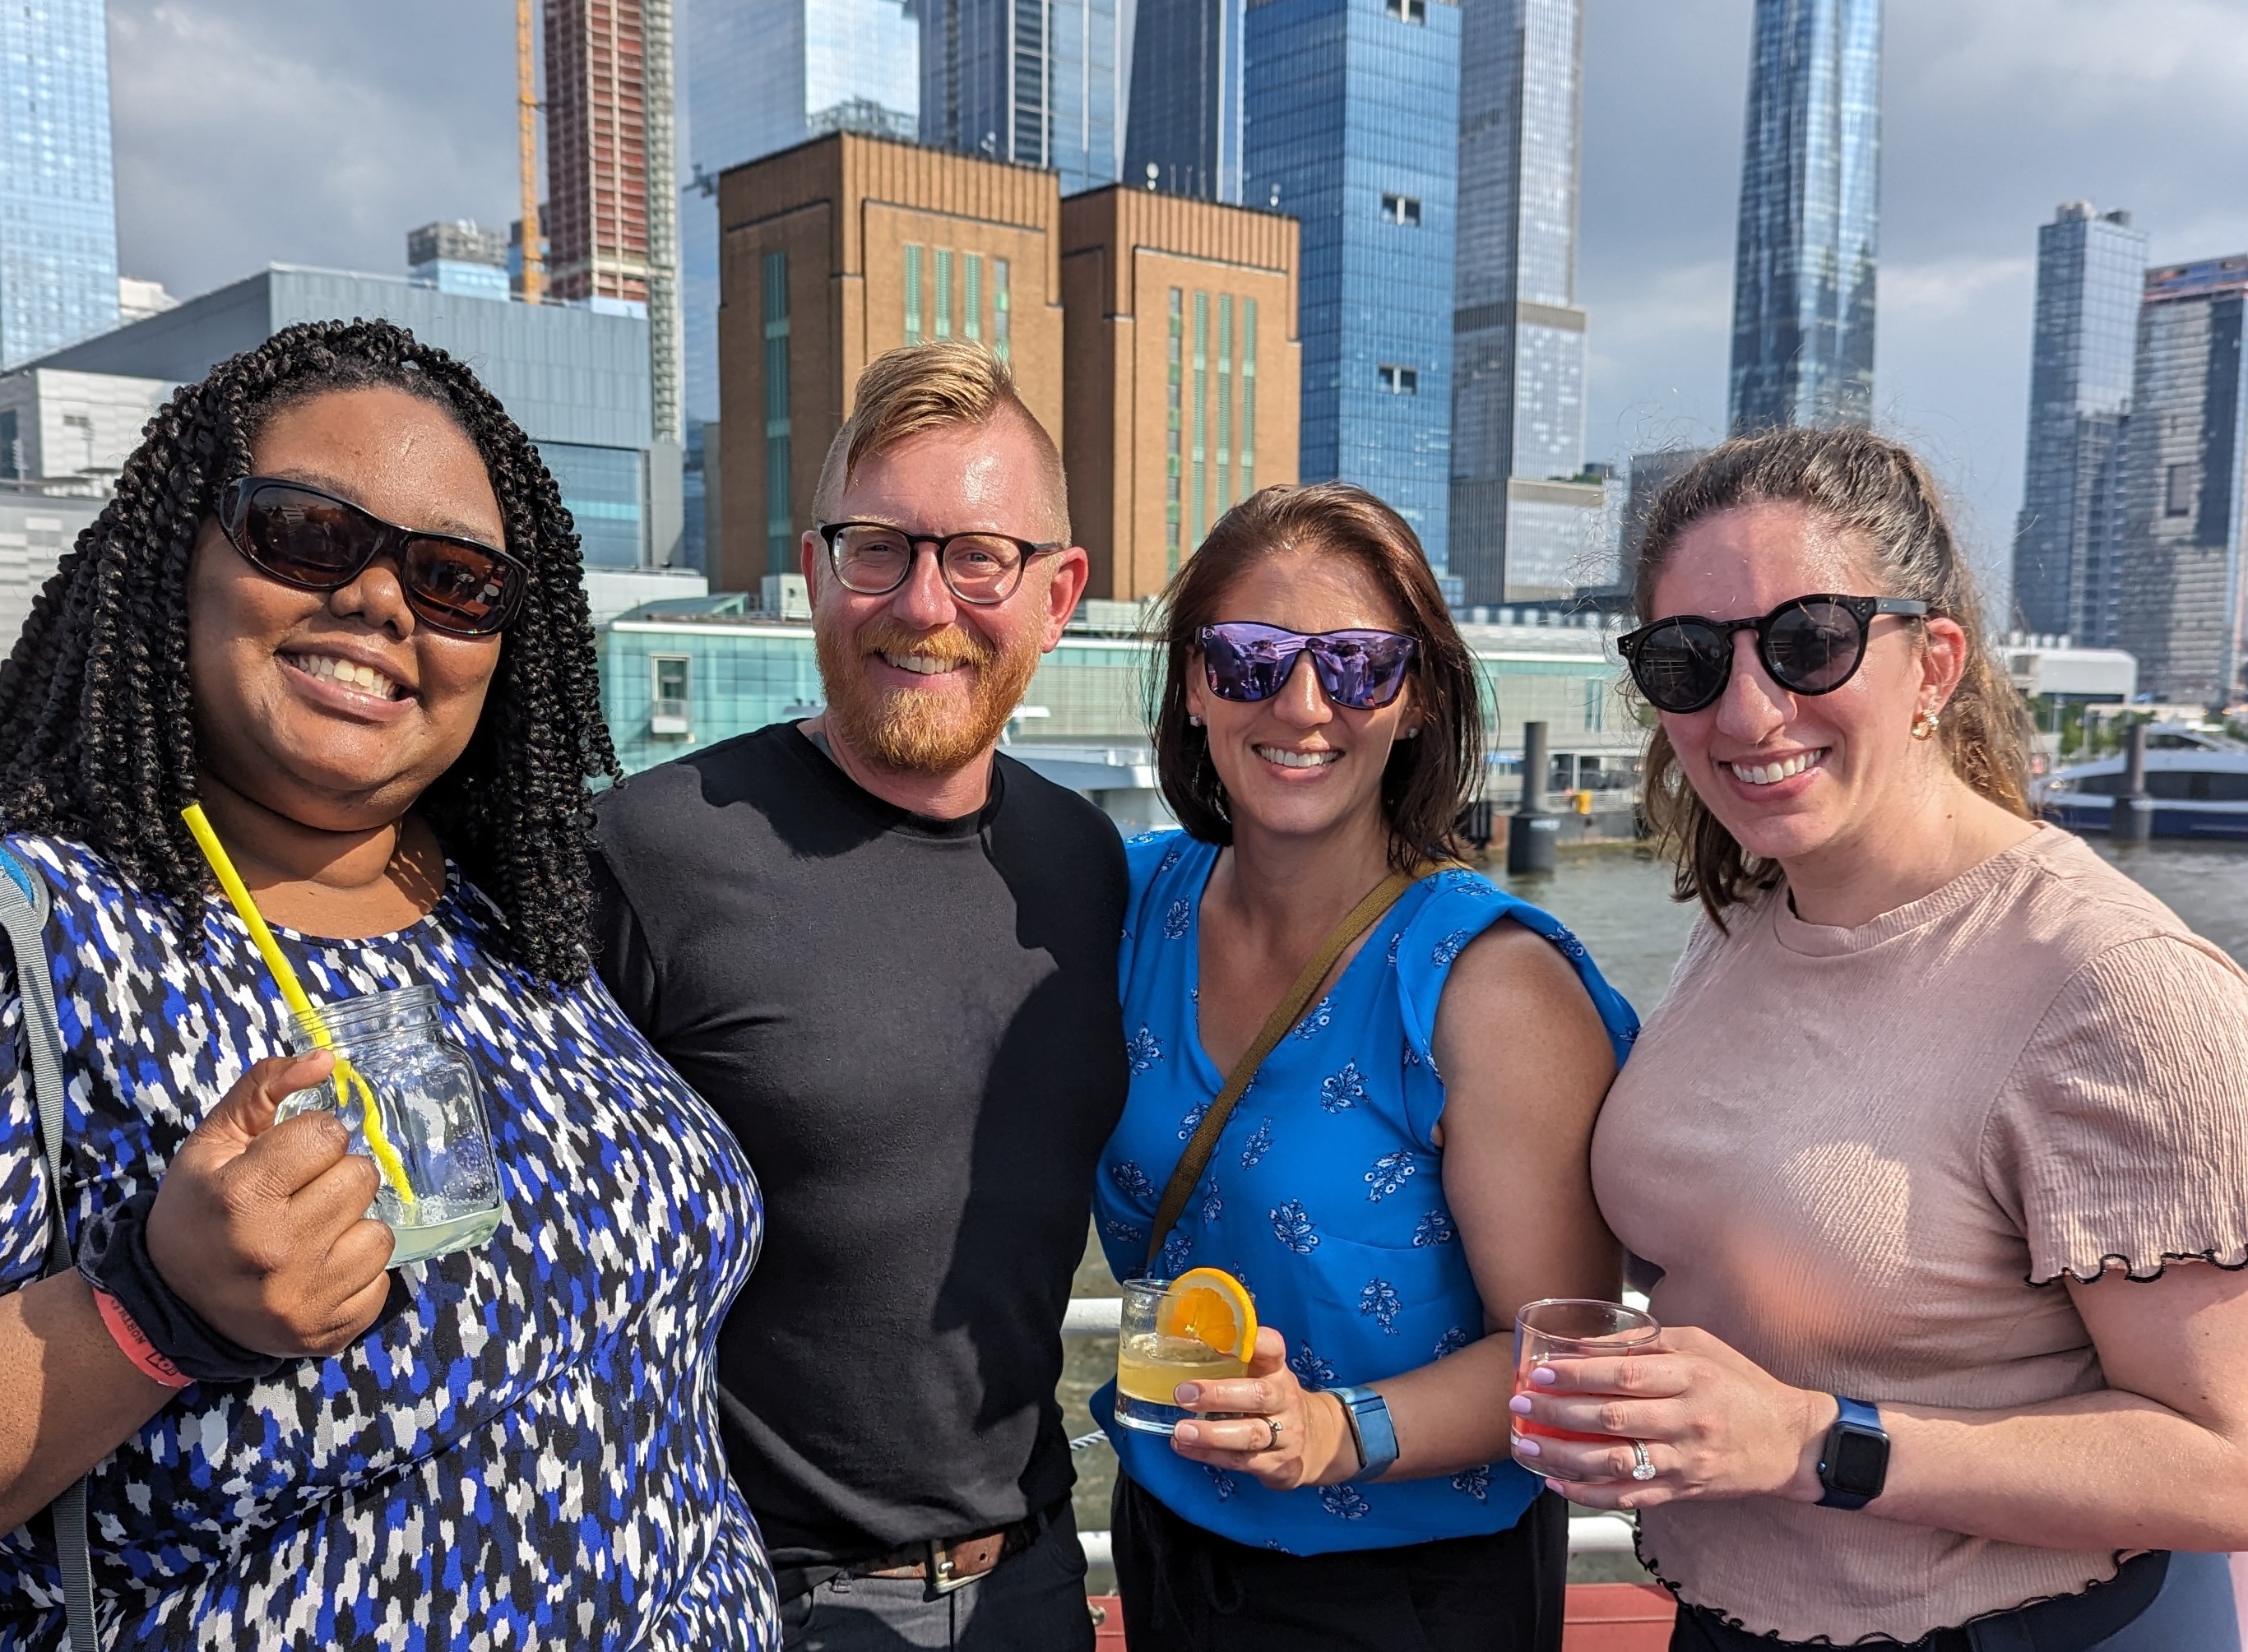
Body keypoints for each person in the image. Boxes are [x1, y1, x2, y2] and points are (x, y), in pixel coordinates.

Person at [0, 318, 777, 1649]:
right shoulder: (38, 929)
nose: (379, 600)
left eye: (456, 577)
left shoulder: (510, 923)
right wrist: (146, 1305)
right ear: (181, 546)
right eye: (305, 530)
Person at [1513, 428, 2248, 1650]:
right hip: (1736, 1606)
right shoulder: (1744, 919)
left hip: (2015, 1626)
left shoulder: (2111, 986)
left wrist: (1809, 1440)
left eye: (1809, 641)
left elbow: (2227, 1462)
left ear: (1932, 662)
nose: (1747, 709)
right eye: (1687, 659)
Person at [593, 342, 1128, 1649]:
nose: (924, 603)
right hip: (743, 1594)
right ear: (818, 567)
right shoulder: (648, 849)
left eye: (979, 556)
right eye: (878, 547)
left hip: (1033, 1581)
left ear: (1057, 594)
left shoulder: (1088, 864)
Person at [1093, 482, 1638, 1652]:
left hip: (1405, 1588)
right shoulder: (1130, 904)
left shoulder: (1487, 985)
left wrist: (1334, 1431)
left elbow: (1566, 1346)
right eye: (1246, 658)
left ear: (1417, 698)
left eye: (1354, 663)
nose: (1300, 702)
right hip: (1171, 1535)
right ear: (1192, 685)